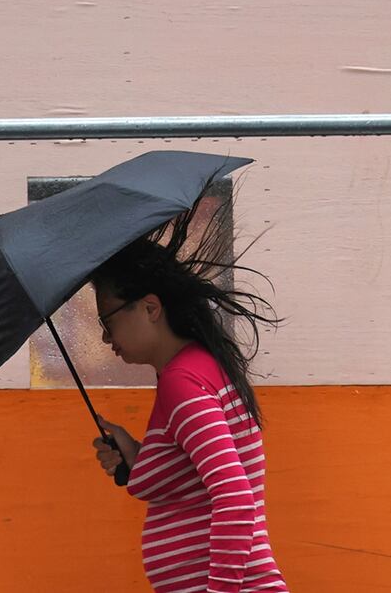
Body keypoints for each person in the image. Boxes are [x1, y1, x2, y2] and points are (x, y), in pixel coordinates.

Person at [90, 180, 289, 592]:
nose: (106, 339)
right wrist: (137, 454)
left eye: (107, 321)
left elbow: (235, 496)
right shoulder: (191, 370)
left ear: (149, 308)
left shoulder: (184, 381)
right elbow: (198, 478)